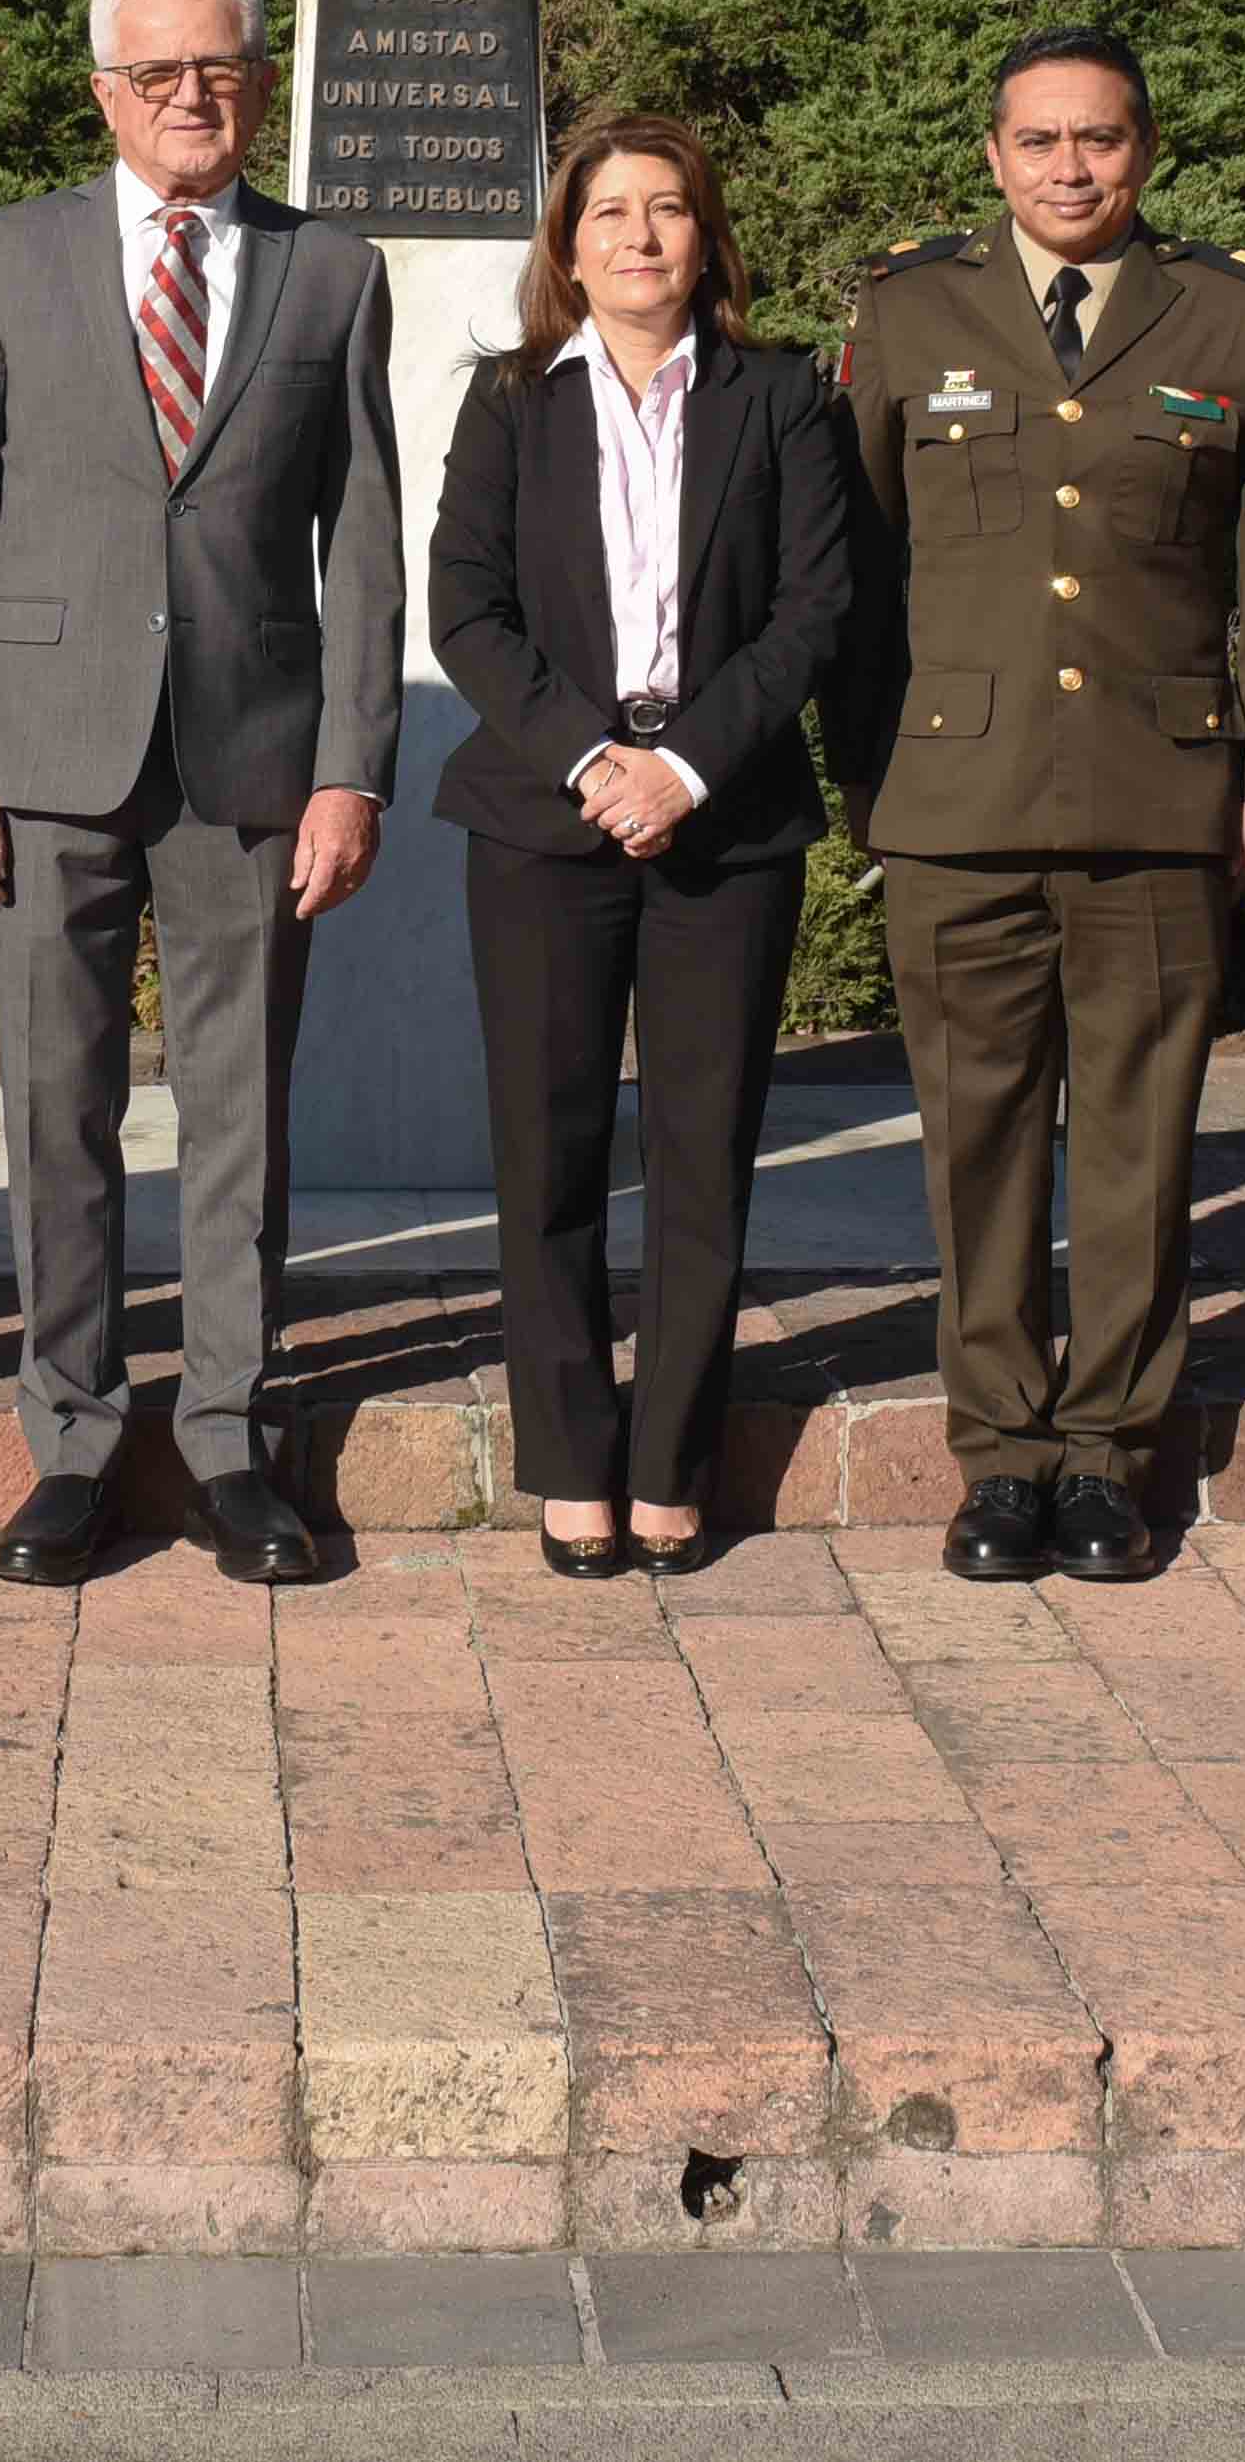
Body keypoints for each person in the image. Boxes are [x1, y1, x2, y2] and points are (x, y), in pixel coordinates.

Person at [0, 0, 403, 1591]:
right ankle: (70, 1436)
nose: (191, 97)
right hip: (45, 753)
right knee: (57, 1104)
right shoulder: (4, 254)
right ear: (104, 90)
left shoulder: (330, 267)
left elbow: (368, 537)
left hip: (251, 757)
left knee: (236, 1108)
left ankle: (228, 1435)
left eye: (220, 67)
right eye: (156, 73)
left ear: (259, 79)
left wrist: (355, 765)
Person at [825, 25, 1245, 1590]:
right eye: (1038, 141)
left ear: (1145, 149)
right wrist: (873, 787)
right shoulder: (906, 313)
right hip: (955, 802)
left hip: (1157, 797)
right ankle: (999, 1455)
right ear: (992, 154)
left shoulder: (1234, 320)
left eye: (1099, 140)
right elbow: (854, 589)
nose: (1069, 167)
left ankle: (1109, 1453)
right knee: (974, 1145)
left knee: (1137, 1144)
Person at [427, 114, 858, 1578]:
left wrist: (680, 765)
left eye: (668, 209)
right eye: (609, 212)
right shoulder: (504, 402)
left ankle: (673, 1456)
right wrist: (590, 757)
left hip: (722, 822)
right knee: (545, 1148)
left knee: (701, 1147)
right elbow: (466, 613)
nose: (639, 236)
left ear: (707, 234)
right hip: (542, 820)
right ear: (567, 242)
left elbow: (814, 609)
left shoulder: (783, 395)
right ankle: (568, 1459)